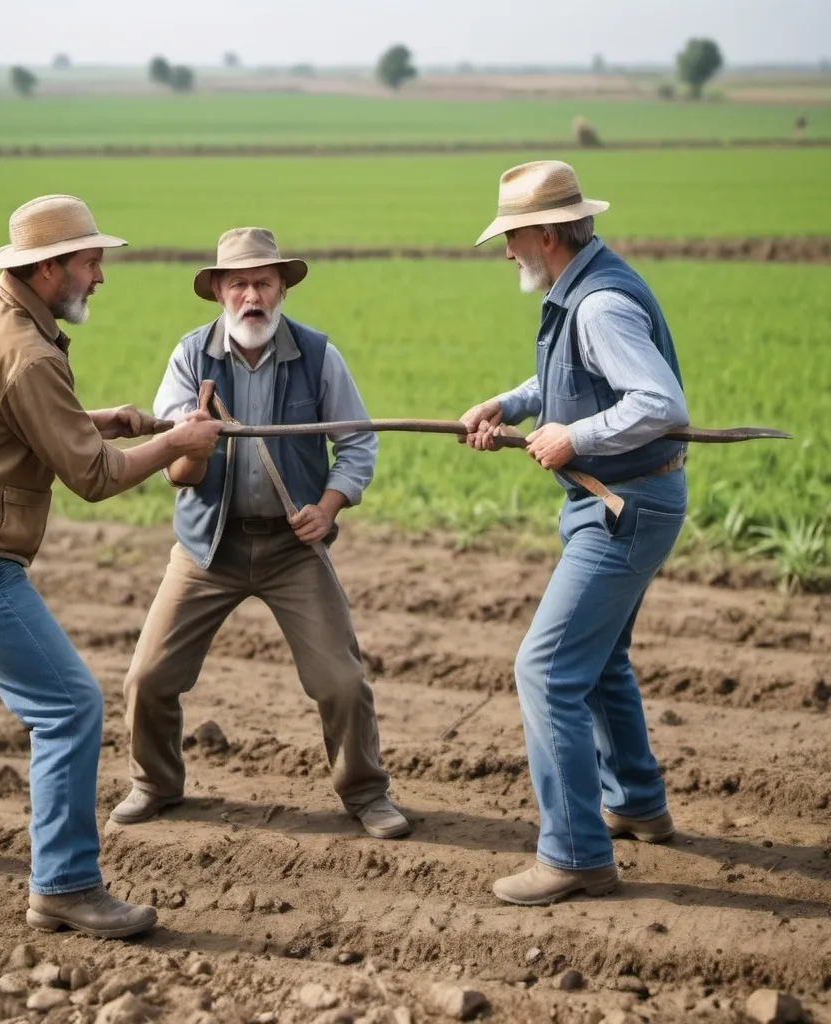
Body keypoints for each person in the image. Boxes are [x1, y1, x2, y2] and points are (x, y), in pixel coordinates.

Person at [0, 194, 223, 938]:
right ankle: (64, 884)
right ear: (49, 266)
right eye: (92, 261)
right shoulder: (29, 353)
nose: (100, 275)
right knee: (69, 707)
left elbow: (5, 411)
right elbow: (93, 478)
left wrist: (92, 418)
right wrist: (181, 444)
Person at [111, 227, 409, 841]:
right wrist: (188, 446)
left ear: (281, 289)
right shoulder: (192, 357)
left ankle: (365, 793)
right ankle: (154, 784)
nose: (253, 297)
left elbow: (358, 444)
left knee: (342, 680)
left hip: (291, 549)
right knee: (147, 678)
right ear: (219, 290)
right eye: (240, 283)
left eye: (264, 283)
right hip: (206, 547)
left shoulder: (319, 356)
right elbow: (176, 471)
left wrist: (327, 509)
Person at [460, 162, 690, 906]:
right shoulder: (581, 289)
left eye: (514, 236)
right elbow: (569, 380)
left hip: (624, 506)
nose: (506, 251)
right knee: (601, 661)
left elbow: (660, 403)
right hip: (622, 500)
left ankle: (574, 854)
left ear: (549, 235)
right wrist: (510, 402)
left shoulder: (599, 306)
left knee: (546, 669)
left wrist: (573, 438)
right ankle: (636, 804)